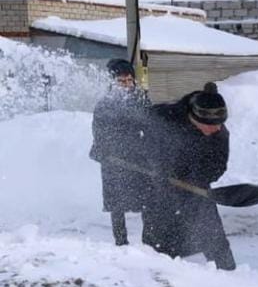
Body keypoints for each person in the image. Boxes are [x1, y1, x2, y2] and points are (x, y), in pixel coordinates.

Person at [141, 82, 236, 271]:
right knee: (159, 243)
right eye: (211, 126)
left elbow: (217, 166)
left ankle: (230, 276)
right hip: (160, 191)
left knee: (214, 237)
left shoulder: (219, 134)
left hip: (196, 190)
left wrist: (193, 179)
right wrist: (159, 169)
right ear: (195, 118)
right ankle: (158, 280)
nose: (216, 129)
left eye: (219, 124)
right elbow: (141, 143)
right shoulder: (163, 117)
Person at [89, 58, 150, 246]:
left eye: (129, 80)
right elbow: (98, 130)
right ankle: (121, 241)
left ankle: (149, 241)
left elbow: (150, 125)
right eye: (121, 81)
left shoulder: (141, 99)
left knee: (147, 199)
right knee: (117, 202)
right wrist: (106, 150)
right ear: (113, 82)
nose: (126, 85)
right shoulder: (105, 104)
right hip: (113, 159)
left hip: (138, 157)